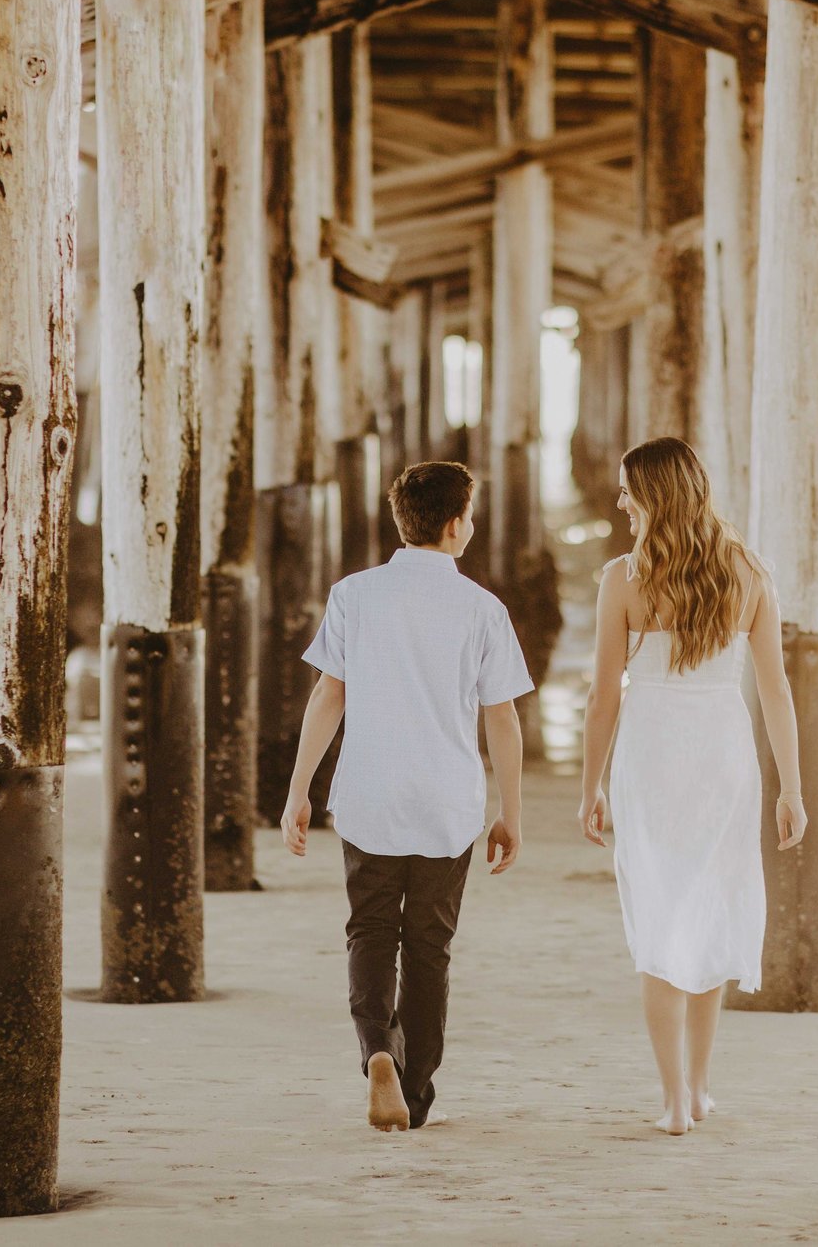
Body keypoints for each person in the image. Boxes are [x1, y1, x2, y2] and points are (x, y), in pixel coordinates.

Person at [282, 459, 530, 1133]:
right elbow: (501, 718)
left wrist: (299, 789)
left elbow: (328, 694)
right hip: (447, 802)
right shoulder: (482, 607)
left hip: (369, 792)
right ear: (455, 527)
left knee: (369, 929)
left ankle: (377, 1055)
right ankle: (415, 1091)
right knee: (428, 948)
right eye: (470, 516)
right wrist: (509, 812)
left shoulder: (354, 595)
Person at [578, 436, 806, 1135]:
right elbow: (774, 691)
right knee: (711, 910)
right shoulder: (750, 574)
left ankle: (674, 1097)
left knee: (659, 917)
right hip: (722, 757)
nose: (620, 502)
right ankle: (701, 1088)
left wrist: (593, 784)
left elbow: (602, 696)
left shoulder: (623, 579)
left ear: (654, 495)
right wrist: (791, 788)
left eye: (627, 490)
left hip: (650, 758)